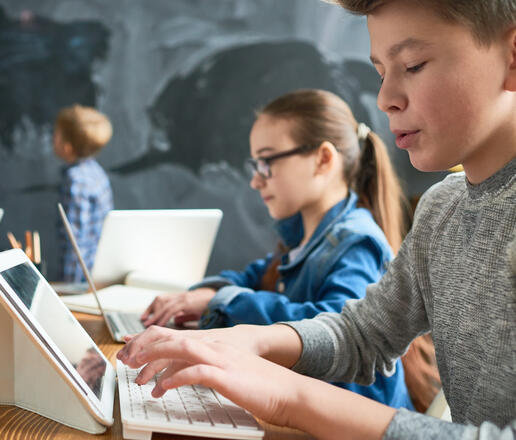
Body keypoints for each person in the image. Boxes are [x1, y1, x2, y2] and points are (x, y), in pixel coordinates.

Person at [118, 0, 516, 438]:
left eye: (414, 65)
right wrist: (252, 339)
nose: (384, 99)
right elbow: (364, 334)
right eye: (382, 72)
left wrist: (288, 396)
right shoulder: (444, 207)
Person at [141, 88, 412, 409]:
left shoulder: (356, 242)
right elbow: (252, 277)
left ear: (323, 159)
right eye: (255, 164)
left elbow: (336, 329)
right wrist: (204, 296)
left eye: (267, 161)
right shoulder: (305, 235)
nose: (256, 181)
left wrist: (221, 300)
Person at [54, 104, 113, 282]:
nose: (52, 139)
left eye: (55, 134)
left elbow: (76, 242)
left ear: (68, 146)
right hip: (98, 272)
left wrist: (69, 288)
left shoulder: (76, 181)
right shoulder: (97, 172)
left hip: (81, 280)